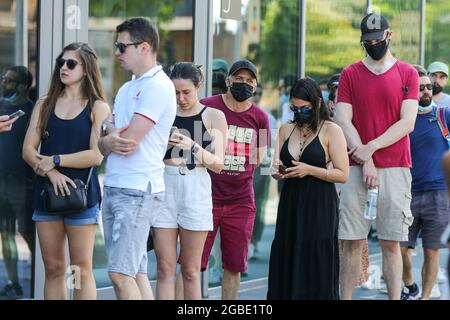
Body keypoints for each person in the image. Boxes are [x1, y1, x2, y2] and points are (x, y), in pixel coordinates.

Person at [335, 13, 419, 300]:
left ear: (389, 35)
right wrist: (366, 158)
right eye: (367, 41)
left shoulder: (407, 73)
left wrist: (369, 149)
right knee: (351, 241)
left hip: (396, 167)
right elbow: (343, 119)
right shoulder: (350, 73)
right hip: (358, 168)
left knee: (391, 242)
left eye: (377, 39)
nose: (372, 45)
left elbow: (407, 122)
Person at [22, 42, 110, 300]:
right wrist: (51, 171)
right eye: (62, 62)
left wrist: (56, 159)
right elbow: (28, 150)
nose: (64, 67)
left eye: (71, 63)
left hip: (81, 197)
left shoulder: (98, 107)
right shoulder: (45, 103)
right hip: (46, 194)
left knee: (79, 269)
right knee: (54, 268)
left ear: (86, 69)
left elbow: (96, 155)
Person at [97, 17, 176, 300]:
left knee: (120, 274)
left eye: (122, 47)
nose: (117, 53)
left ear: (144, 47)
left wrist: (108, 136)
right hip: (119, 186)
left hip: (137, 189)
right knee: (136, 271)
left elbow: (127, 141)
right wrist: (107, 136)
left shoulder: (157, 86)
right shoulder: (128, 87)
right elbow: (106, 136)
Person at [267, 77, 349, 300]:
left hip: (320, 203)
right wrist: (277, 171)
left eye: (305, 108)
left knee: (316, 259)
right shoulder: (285, 129)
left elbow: (343, 174)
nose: (300, 112)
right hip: (291, 203)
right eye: (295, 107)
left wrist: (310, 170)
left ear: (317, 104)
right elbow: (275, 165)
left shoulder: (332, 130)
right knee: (287, 255)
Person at [153, 62, 227, 300]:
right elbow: (146, 154)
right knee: (164, 269)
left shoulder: (214, 116)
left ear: (199, 87)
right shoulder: (164, 113)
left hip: (195, 185)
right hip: (164, 183)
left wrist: (192, 146)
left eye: (186, 92)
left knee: (191, 270)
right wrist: (162, 144)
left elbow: (219, 163)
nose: (181, 98)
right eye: (175, 92)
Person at [199, 59, 270, 300]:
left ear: (256, 86)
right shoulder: (207, 106)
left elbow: (259, 157)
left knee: (233, 266)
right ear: (228, 81)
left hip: (240, 201)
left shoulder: (260, 118)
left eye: (249, 81)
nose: (244, 84)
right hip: (205, 198)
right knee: (192, 264)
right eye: (238, 79)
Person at [400, 65, 450, 300]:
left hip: (438, 194)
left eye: (429, 87)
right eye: (420, 88)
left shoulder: (443, 115)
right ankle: (410, 284)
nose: (426, 92)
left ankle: (425, 297)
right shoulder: (402, 120)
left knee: (431, 251)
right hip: (407, 193)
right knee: (400, 249)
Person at [327, 73, 371, 288]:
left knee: (352, 240)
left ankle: (349, 283)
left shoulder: (358, 123)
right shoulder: (325, 121)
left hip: (351, 183)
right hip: (330, 185)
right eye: (335, 90)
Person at [0, 66, 35, 299]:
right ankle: (14, 283)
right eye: (4, 79)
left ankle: (38, 275)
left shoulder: (32, 111)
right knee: (6, 233)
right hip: (0, 180)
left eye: (9, 81)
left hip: (21, 182)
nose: (4, 83)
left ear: (23, 86)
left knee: (25, 231)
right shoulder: (1, 105)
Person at [249, 83, 277, 260]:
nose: (256, 95)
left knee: (259, 204)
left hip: (262, 164)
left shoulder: (268, 117)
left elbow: (271, 144)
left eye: (259, 92)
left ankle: (253, 241)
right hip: (241, 163)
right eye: (254, 92)